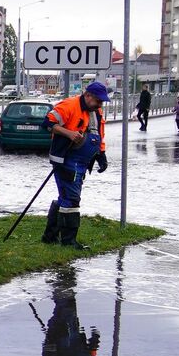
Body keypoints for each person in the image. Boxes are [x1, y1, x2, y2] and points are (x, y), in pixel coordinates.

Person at [41, 80, 109, 251]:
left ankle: (50, 236)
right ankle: (68, 240)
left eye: (101, 101)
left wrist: (101, 154)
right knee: (71, 199)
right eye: (98, 100)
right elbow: (47, 124)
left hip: (82, 162)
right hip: (65, 159)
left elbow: (99, 134)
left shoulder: (97, 111)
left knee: (65, 196)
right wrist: (69, 134)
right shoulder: (69, 106)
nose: (100, 104)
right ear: (87, 95)